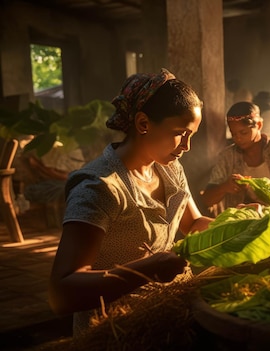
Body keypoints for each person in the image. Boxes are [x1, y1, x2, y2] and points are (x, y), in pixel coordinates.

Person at [48, 69, 214, 336]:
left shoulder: (170, 168)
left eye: (191, 134)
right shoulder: (100, 187)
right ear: (143, 124)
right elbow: (63, 292)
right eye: (180, 133)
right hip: (117, 330)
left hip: (170, 316)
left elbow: (193, 223)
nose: (187, 146)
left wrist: (242, 225)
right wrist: (147, 269)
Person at [201, 101, 270, 211]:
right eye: (233, 133)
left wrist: (268, 191)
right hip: (259, 217)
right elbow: (207, 199)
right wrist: (225, 187)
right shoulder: (227, 156)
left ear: (259, 125)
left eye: (243, 133)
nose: (238, 138)